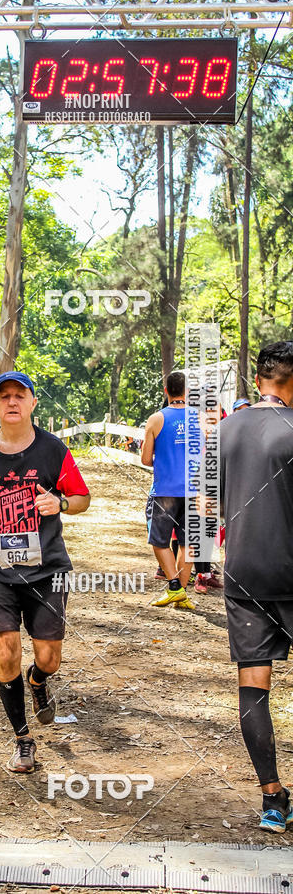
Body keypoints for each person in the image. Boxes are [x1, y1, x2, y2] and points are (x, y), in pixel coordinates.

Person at [0, 371, 90, 774]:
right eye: (4, 396)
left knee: (49, 657)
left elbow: (82, 497)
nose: (12, 402)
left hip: (47, 567)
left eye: (20, 395)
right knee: (6, 652)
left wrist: (60, 505)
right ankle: (23, 738)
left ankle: (38, 681)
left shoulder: (52, 450)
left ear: (32, 403)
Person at [220, 341, 293, 833]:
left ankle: (272, 799)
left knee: (253, 686)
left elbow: (210, 506)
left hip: (243, 570)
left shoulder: (224, 430)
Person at [142, 371, 201, 611]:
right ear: (188, 392)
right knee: (189, 543)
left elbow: (146, 459)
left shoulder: (156, 419)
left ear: (166, 391)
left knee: (159, 540)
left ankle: (174, 587)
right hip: (194, 490)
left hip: (164, 490)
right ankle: (181, 594)